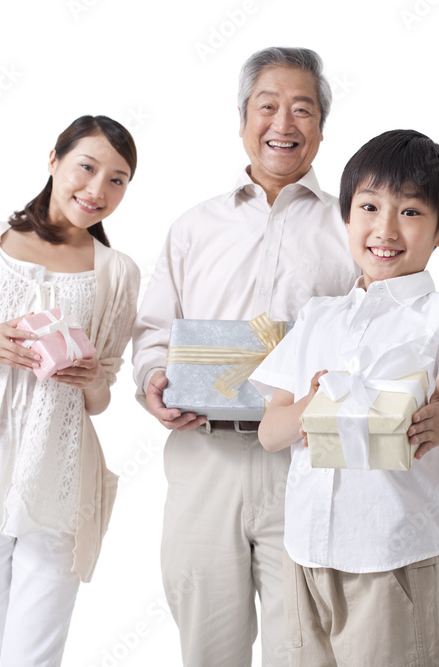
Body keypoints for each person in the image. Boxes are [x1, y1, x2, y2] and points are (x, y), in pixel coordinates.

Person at [131, 47, 359, 666]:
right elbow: (153, 332)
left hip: (309, 463)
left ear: (320, 127)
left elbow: (376, 335)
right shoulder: (194, 227)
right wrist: (153, 378)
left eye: (302, 109)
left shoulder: (353, 226)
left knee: (304, 646)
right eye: (268, 106)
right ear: (242, 120)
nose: (283, 124)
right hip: (205, 458)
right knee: (207, 645)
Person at [250, 128, 439, 666]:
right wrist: (312, 405)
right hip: (304, 558)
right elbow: (270, 434)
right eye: (369, 207)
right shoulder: (320, 316)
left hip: (395, 562)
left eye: (411, 213)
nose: (385, 229)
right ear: (347, 216)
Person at [0, 115, 140, 667]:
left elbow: (101, 398)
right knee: (0, 656)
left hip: (57, 487)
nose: (97, 189)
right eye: (87, 167)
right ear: (53, 160)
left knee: (31, 658)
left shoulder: (117, 272)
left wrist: (90, 381)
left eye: (118, 179)